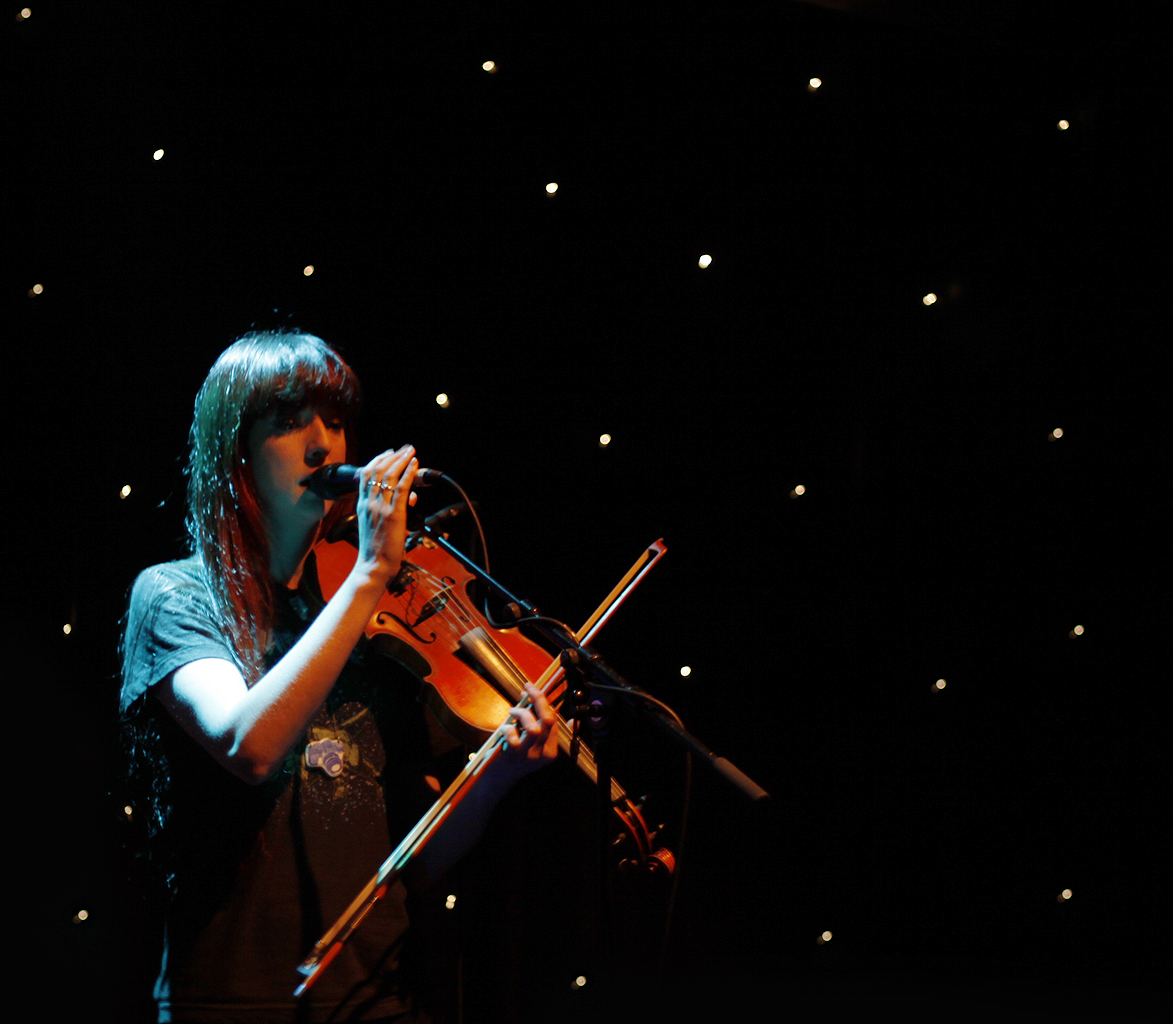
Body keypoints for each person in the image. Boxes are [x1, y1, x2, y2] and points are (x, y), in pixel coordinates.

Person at [120, 330, 559, 1023]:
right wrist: (367, 576)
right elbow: (248, 744)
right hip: (233, 1002)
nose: (324, 445)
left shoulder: (367, 621)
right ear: (234, 452)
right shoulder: (177, 596)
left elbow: (407, 868)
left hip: (376, 1001)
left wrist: (499, 773)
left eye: (334, 421)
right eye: (290, 423)